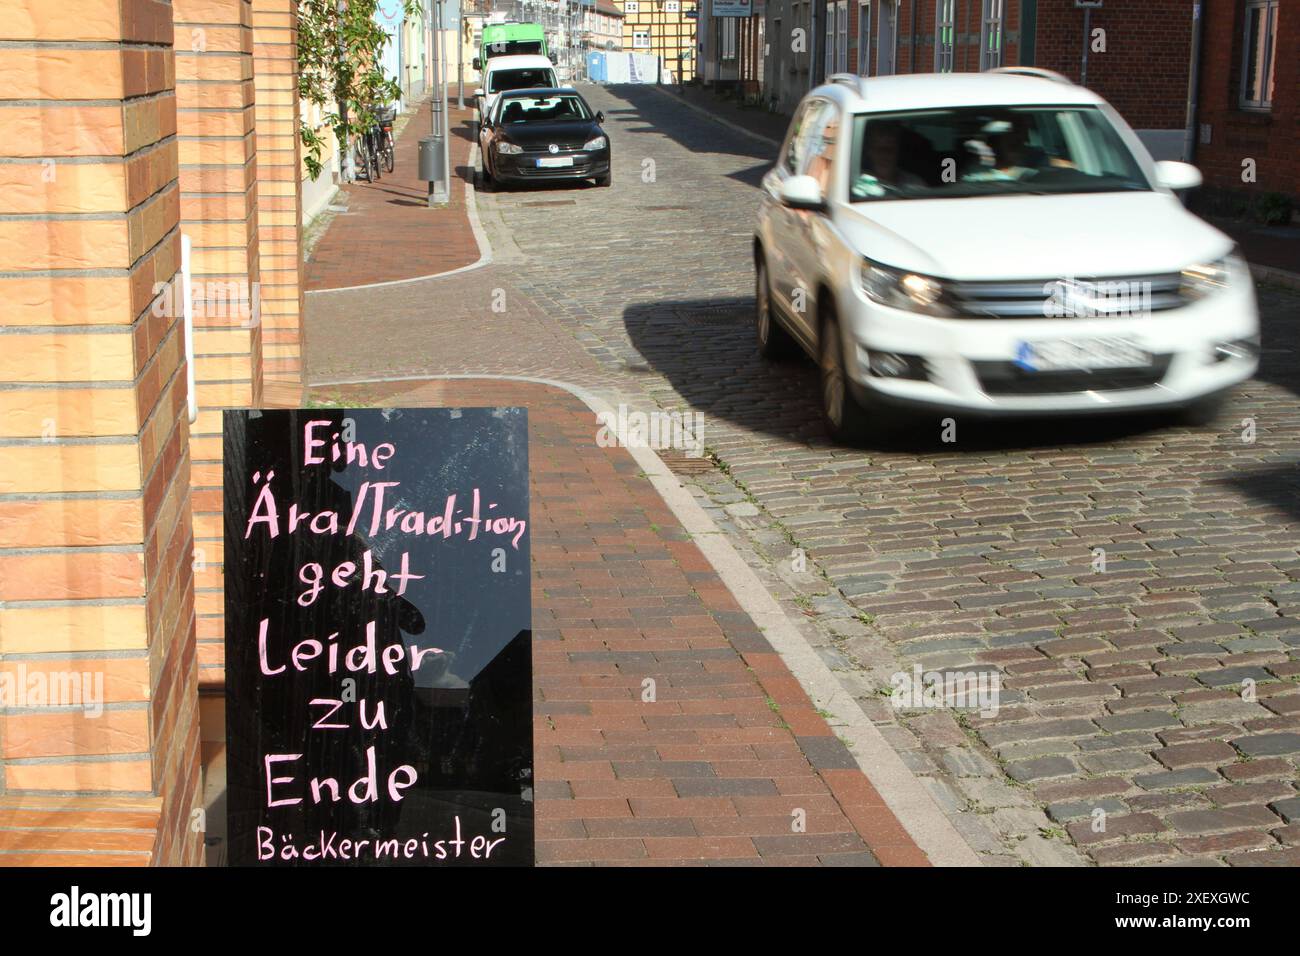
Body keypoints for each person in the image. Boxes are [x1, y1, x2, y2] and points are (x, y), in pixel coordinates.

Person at [854, 121, 925, 198]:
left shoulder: (915, 184)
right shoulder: (858, 183)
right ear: (868, 151)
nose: (884, 154)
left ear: (898, 150)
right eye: (877, 148)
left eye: (890, 148)